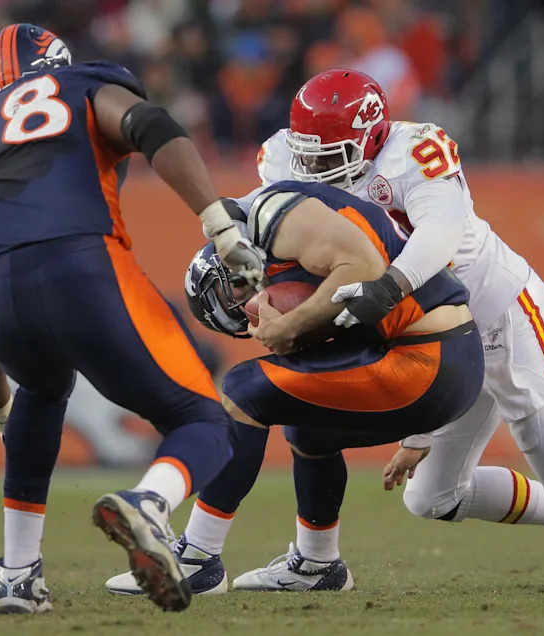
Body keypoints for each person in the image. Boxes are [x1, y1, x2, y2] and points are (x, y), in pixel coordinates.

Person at [107, 69, 544, 595]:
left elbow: (439, 234)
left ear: (371, 139)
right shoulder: (284, 159)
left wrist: (385, 290)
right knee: (433, 498)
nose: (312, 170)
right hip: (420, 330)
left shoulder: (416, 151)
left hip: (498, 313)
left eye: (330, 155)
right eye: (306, 156)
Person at [0, 23, 266, 614]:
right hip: (76, 260)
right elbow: (148, 124)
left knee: (39, 391)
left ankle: (17, 574)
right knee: (203, 421)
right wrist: (219, 223)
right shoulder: (79, 84)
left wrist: (0, 411)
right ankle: (151, 503)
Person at [113, 179, 484, 593]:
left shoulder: (271, 213)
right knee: (307, 428)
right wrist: (420, 432)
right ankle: (317, 563)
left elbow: (365, 269)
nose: (247, 302)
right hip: (444, 357)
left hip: (429, 355)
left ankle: (196, 558)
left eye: (231, 289)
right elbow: (368, 299)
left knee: (241, 389)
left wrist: (290, 326)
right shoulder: (297, 236)